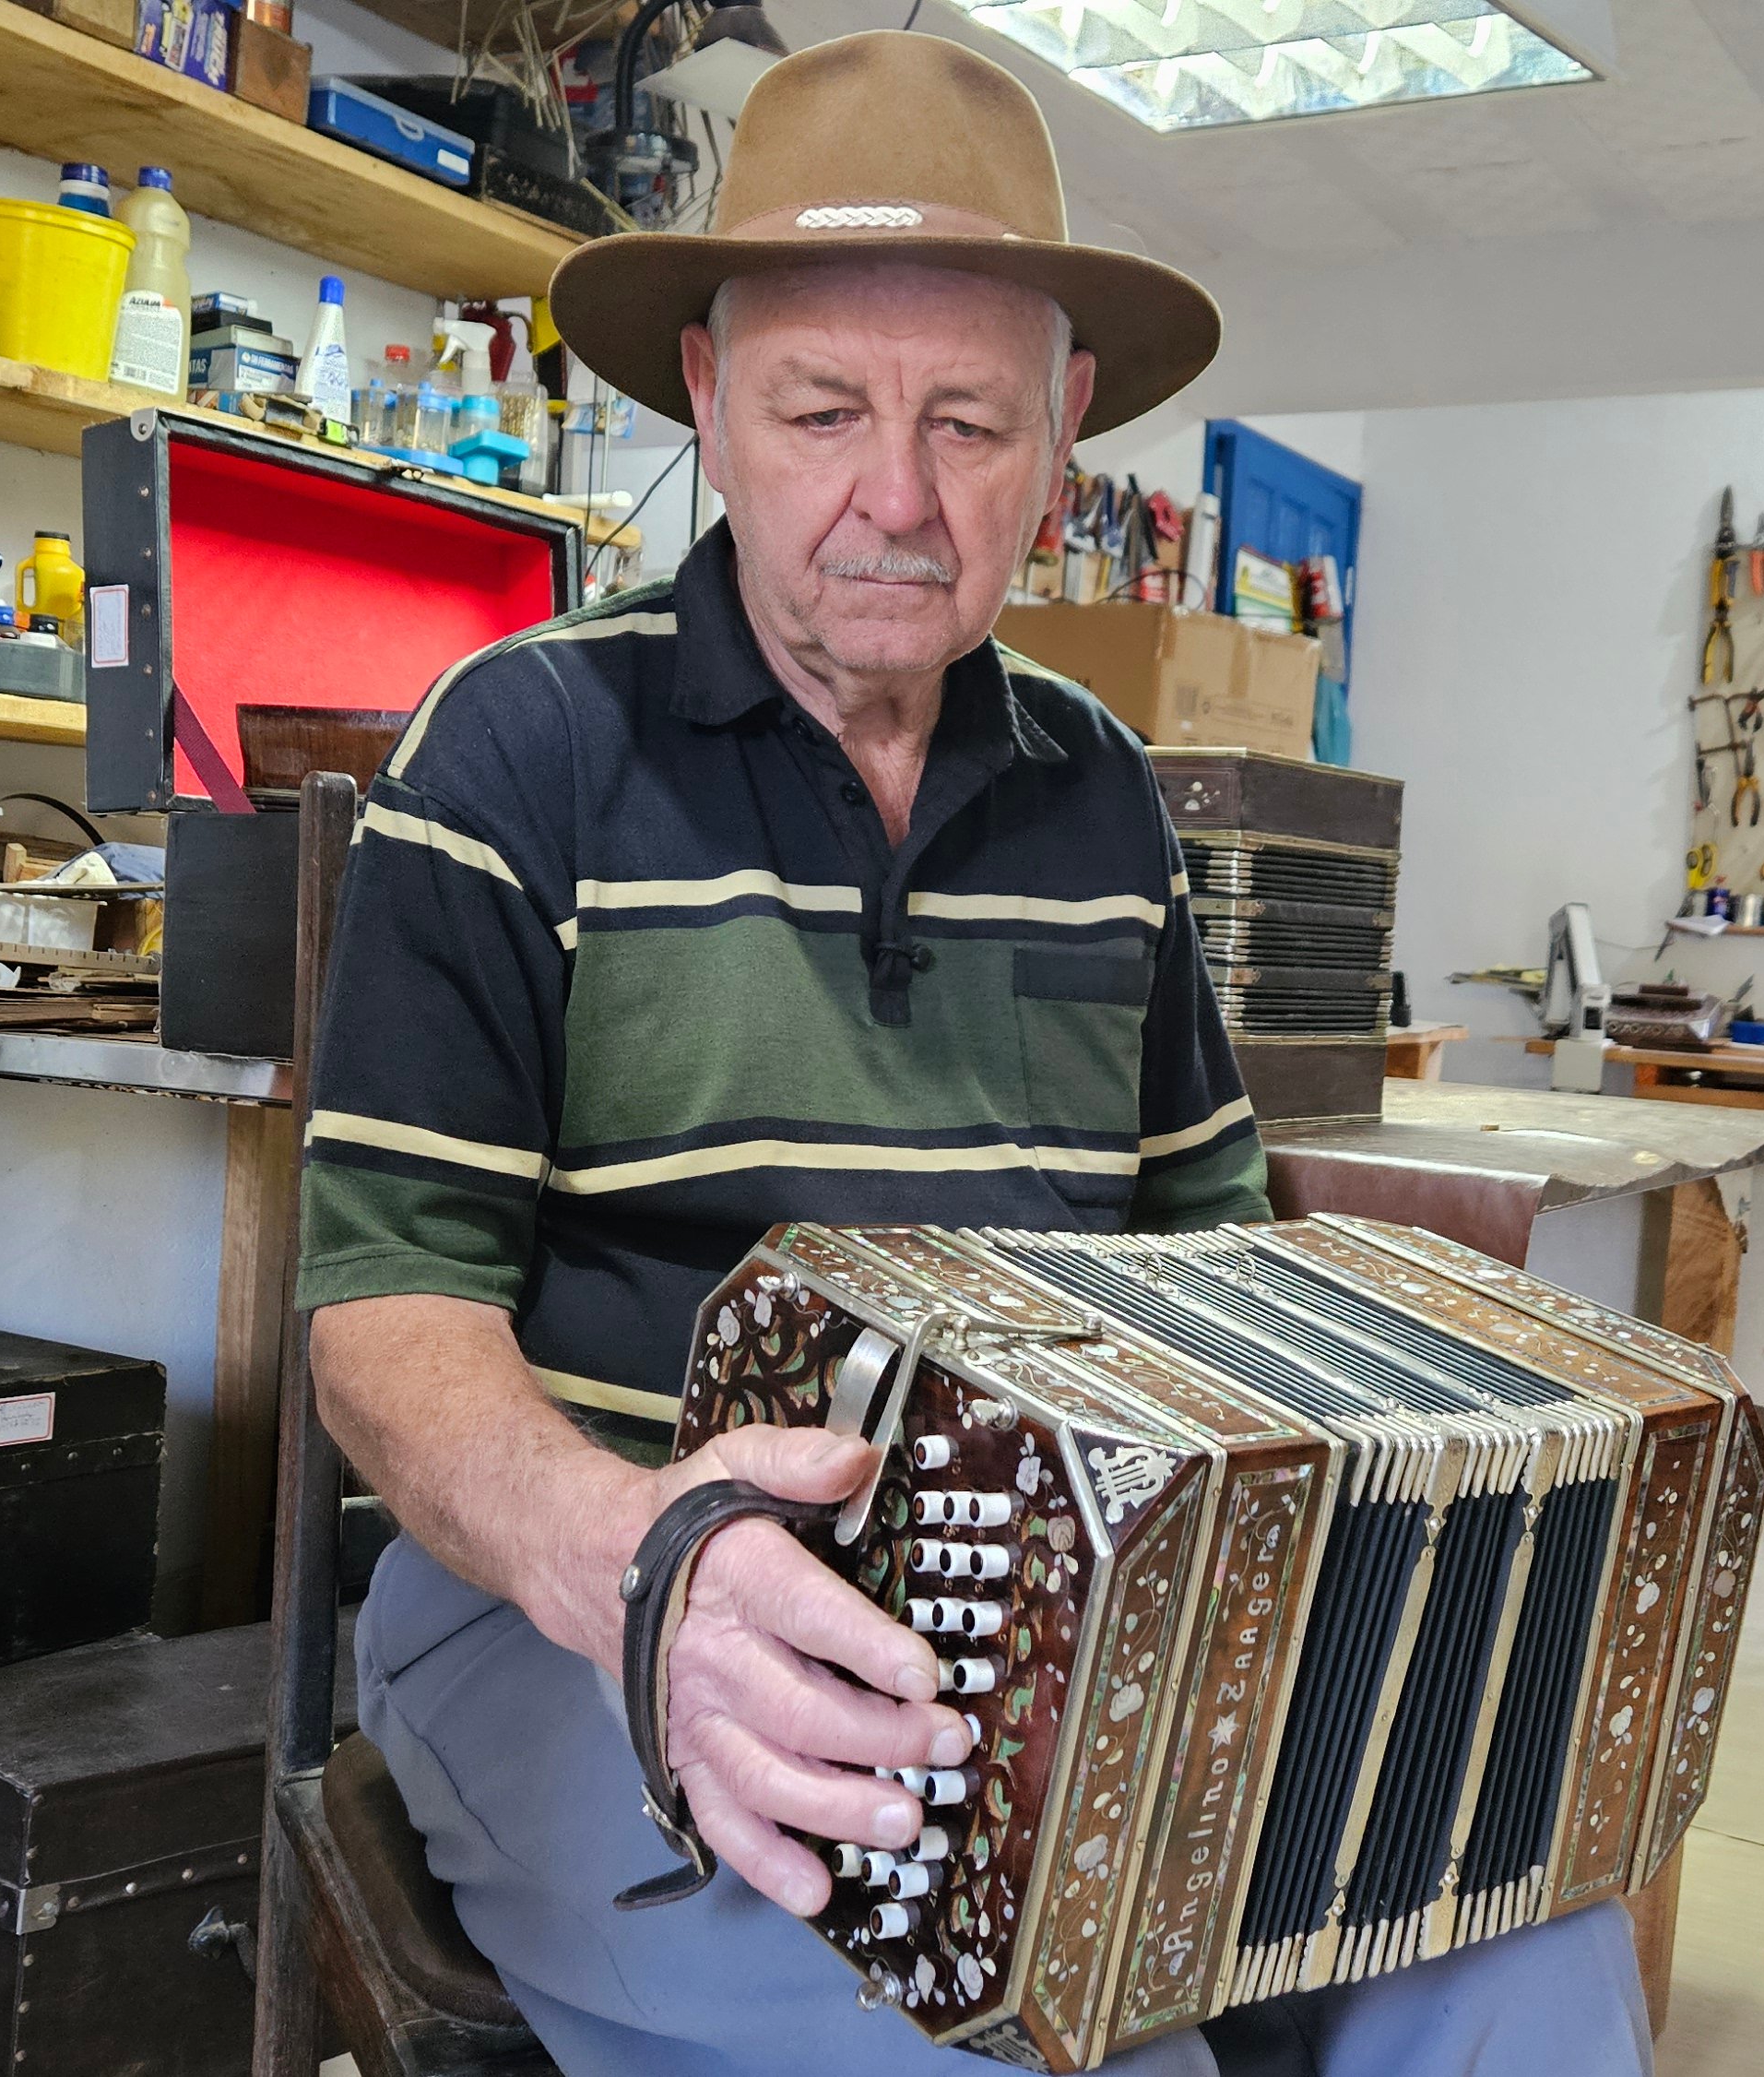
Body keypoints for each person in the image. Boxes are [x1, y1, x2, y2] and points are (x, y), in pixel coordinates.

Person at [300, 33, 1652, 2076]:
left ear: (1067, 427)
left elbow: (1215, 1276)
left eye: (969, 423)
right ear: (705, 399)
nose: (899, 501)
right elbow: (382, 1320)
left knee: (1525, 1939)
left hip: (1046, 1618)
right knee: (1052, 2034)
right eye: (820, 411)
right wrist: (637, 1560)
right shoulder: (519, 750)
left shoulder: (1103, 798)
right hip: (572, 1605)